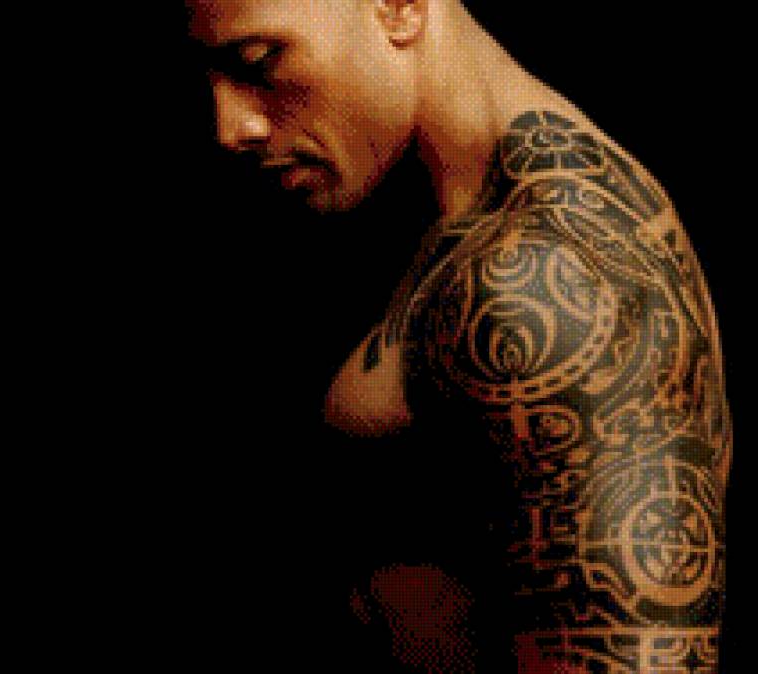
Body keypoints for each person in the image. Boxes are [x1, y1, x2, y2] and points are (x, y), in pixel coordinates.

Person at [184, 1, 733, 672]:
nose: (230, 128)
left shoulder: (552, 279)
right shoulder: (454, 207)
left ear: (398, 6)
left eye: (258, 63)